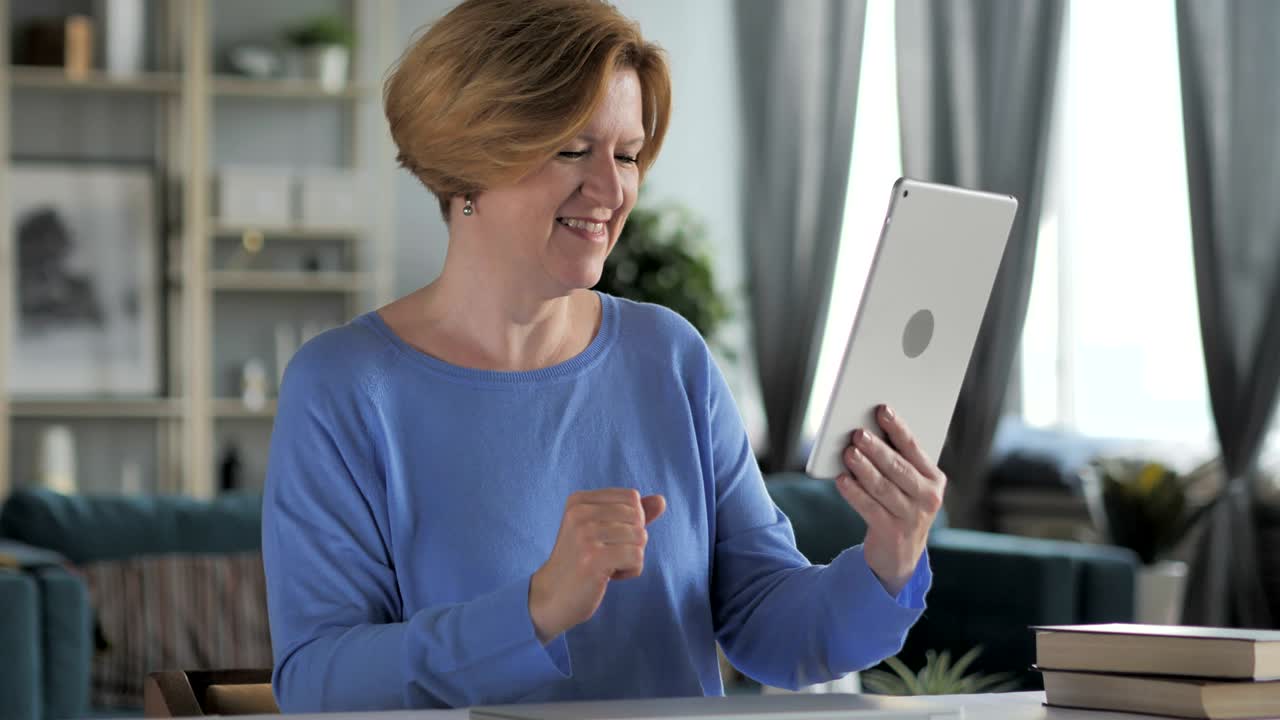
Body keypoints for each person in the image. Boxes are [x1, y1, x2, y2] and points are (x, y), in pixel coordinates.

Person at [262, 0, 946, 712]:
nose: (612, 189)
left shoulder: (669, 355)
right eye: (571, 149)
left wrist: (886, 561)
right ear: (469, 162)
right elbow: (317, 683)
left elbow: (768, 624)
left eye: (627, 155)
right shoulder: (345, 386)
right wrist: (534, 610)